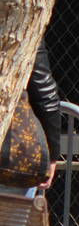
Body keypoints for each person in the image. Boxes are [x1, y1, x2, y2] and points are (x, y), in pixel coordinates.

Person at [0, 46, 63, 190]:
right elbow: (43, 91)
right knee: (12, 210)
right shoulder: (21, 30)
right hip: (11, 151)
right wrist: (52, 156)